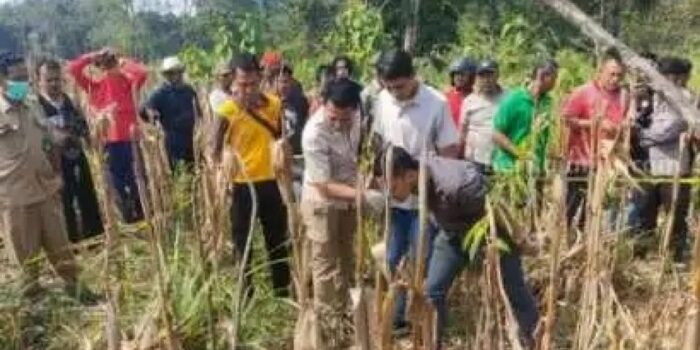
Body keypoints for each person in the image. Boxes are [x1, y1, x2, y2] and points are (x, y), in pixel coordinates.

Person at [383, 147, 539, 349]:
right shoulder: (419, 177)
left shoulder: (457, 185)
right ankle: (431, 344)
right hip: (452, 234)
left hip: (491, 233)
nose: (391, 195)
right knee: (433, 291)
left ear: (409, 175)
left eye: (393, 188)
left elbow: (497, 207)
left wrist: (520, 238)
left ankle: (534, 339)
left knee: (513, 288)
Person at [371, 48, 460, 332]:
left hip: (423, 200)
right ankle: (395, 319)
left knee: (420, 260)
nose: (395, 92)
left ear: (413, 77)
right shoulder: (383, 99)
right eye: (389, 87)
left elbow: (449, 151)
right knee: (391, 259)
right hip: (393, 199)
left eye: (400, 86)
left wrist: (433, 186)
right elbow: (378, 139)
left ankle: (421, 319)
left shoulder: (436, 103)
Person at [0, 52, 99, 303]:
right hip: (16, 196)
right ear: (2, 80)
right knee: (25, 256)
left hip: (45, 189)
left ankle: (76, 289)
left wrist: (56, 174)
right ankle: (31, 303)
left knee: (60, 244)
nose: (23, 83)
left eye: (25, 77)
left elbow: (49, 140)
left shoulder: (33, 105)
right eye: (16, 78)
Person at [301, 78, 383, 348]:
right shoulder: (314, 132)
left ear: (354, 110)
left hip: (348, 195)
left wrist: (367, 183)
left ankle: (349, 311)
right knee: (325, 262)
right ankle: (328, 324)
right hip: (321, 203)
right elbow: (324, 187)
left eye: (344, 119)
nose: (338, 123)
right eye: (333, 117)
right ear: (325, 105)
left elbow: (360, 153)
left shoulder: (358, 116)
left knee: (346, 253)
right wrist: (364, 196)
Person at [211, 52, 292, 297]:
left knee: (277, 240)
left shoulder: (275, 105)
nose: (248, 90)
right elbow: (212, 150)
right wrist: (221, 175)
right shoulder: (226, 112)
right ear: (232, 83)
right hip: (241, 185)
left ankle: (282, 291)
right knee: (242, 243)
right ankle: (246, 295)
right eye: (242, 85)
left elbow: (281, 140)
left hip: (272, 182)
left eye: (253, 84)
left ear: (260, 79)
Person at [67, 47, 147, 223]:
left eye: (111, 63)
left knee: (137, 178)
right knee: (116, 183)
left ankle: (142, 213)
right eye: (105, 64)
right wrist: (92, 56)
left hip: (131, 140)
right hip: (109, 143)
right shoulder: (94, 87)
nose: (109, 68)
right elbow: (73, 69)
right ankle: (126, 216)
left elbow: (142, 72)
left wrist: (121, 60)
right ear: (100, 67)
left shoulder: (128, 83)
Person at [629, 57, 694, 262]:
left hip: (673, 168)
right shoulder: (650, 97)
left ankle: (675, 259)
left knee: (675, 216)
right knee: (644, 213)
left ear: (675, 79)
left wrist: (640, 135)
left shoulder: (685, 99)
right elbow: (633, 120)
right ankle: (640, 257)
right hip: (646, 167)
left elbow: (669, 130)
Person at [36, 58, 103, 242]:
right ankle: (70, 242)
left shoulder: (68, 101)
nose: (54, 84)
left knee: (86, 195)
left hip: (76, 157)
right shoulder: (36, 107)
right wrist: (53, 140)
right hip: (52, 164)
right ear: (39, 81)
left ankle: (95, 239)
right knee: (62, 204)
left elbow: (82, 127)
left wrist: (89, 137)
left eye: (57, 79)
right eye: (49, 80)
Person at [561, 49, 627, 227]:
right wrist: (594, 124)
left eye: (619, 75)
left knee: (595, 208)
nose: (615, 79)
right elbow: (567, 119)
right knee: (572, 205)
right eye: (611, 74)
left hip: (607, 161)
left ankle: (586, 242)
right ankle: (565, 239)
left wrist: (621, 129)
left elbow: (625, 122)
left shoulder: (623, 96)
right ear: (600, 72)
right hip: (581, 159)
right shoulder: (583, 91)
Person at [492, 59, 559, 175]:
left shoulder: (548, 103)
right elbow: (496, 134)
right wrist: (520, 154)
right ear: (542, 76)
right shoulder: (514, 99)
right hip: (509, 169)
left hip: (535, 170)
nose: (556, 83)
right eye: (554, 78)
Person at [142, 56, 201, 168]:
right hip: (172, 140)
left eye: (176, 72)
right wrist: (153, 118)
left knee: (193, 170)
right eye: (170, 73)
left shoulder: (189, 90)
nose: (174, 76)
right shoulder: (161, 93)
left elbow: (199, 112)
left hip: (191, 140)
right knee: (177, 171)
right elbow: (145, 109)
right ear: (166, 75)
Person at [460, 59, 504, 171]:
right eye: (482, 76)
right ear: (476, 78)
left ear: (497, 75)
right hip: (475, 162)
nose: (486, 80)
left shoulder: (508, 98)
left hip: (501, 160)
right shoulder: (469, 101)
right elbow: (462, 132)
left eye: (490, 75)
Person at [276, 63, 310, 156]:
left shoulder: (301, 101)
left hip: (297, 153)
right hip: (278, 154)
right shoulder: (271, 102)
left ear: (291, 81)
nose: (283, 85)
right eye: (280, 82)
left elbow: (306, 122)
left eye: (286, 81)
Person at [445, 57, 476, 126]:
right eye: (457, 74)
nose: (459, 77)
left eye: (463, 74)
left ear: (471, 77)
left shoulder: (477, 97)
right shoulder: (446, 96)